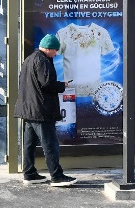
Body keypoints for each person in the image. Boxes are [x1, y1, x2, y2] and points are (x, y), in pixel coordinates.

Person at [13, 34, 77, 187]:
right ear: (48, 49)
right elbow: (47, 83)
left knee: (29, 143)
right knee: (50, 143)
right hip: (40, 110)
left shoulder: (29, 59)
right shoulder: (42, 61)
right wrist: (63, 85)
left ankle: (29, 173)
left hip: (29, 109)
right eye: (55, 50)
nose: (56, 53)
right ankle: (56, 175)